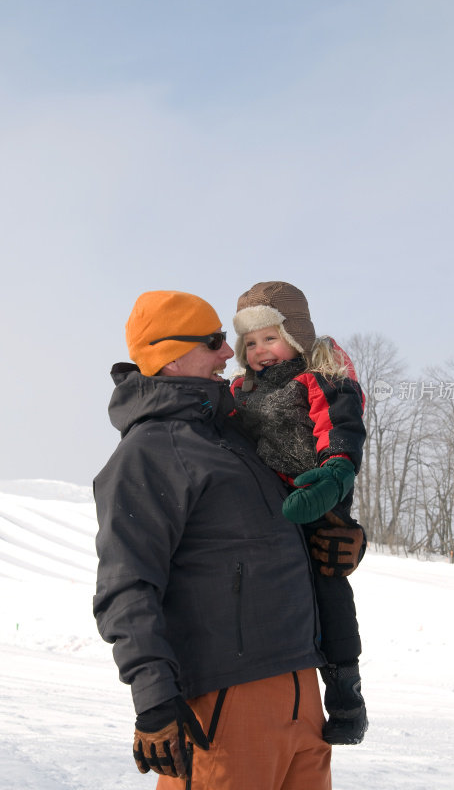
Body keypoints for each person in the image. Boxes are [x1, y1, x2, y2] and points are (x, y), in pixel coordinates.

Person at [93, 289, 359, 790]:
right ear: (171, 356)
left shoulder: (240, 438)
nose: (228, 353)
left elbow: (278, 532)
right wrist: (153, 697)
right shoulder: (149, 452)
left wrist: (342, 537)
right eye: (215, 340)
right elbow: (126, 585)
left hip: (303, 693)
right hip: (225, 703)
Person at [231, 280, 368, 745]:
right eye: (250, 343)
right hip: (269, 510)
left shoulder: (320, 378)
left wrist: (334, 476)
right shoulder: (238, 392)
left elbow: (340, 430)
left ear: (295, 336)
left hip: (317, 499)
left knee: (328, 583)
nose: (260, 350)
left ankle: (346, 694)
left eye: (269, 337)